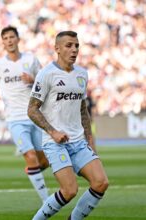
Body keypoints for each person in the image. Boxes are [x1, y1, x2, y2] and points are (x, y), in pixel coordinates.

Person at [28, 31, 109, 219]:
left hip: (78, 141)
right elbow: (32, 109)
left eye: (76, 46)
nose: (74, 50)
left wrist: (90, 140)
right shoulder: (46, 74)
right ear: (57, 48)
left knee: (101, 183)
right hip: (55, 142)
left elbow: (82, 110)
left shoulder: (82, 74)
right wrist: (53, 132)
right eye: (69, 45)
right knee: (69, 190)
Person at [0, 25, 49, 204]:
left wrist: (33, 80)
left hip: (35, 116)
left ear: (18, 39)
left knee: (43, 161)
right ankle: (47, 201)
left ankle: (32, 170)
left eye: (12, 37)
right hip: (15, 119)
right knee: (31, 157)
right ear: (3, 42)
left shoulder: (31, 60)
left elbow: (45, 82)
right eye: (5, 38)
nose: (9, 40)